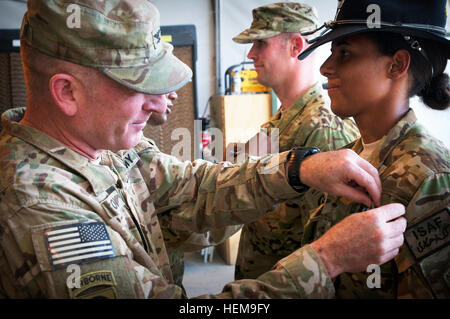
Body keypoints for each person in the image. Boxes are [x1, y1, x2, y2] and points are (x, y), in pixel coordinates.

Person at [0, 0, 406, 299]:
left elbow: (190, 186)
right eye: (138, 86)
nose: (160, 105)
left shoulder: (102, 145)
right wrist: (326, 260)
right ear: (67, 92)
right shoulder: (40, 208)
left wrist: (298, 169)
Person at [296, 0, 450, 298]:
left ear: (396, 65)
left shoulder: (429, 178)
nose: (326, 68)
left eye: (345, 52)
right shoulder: (347, 158)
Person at [231, 2, 360, 280]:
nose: (251, 54)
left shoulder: (324, 131)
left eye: (260, 43)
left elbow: (331, 253)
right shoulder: (282, 119)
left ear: (295, 47)